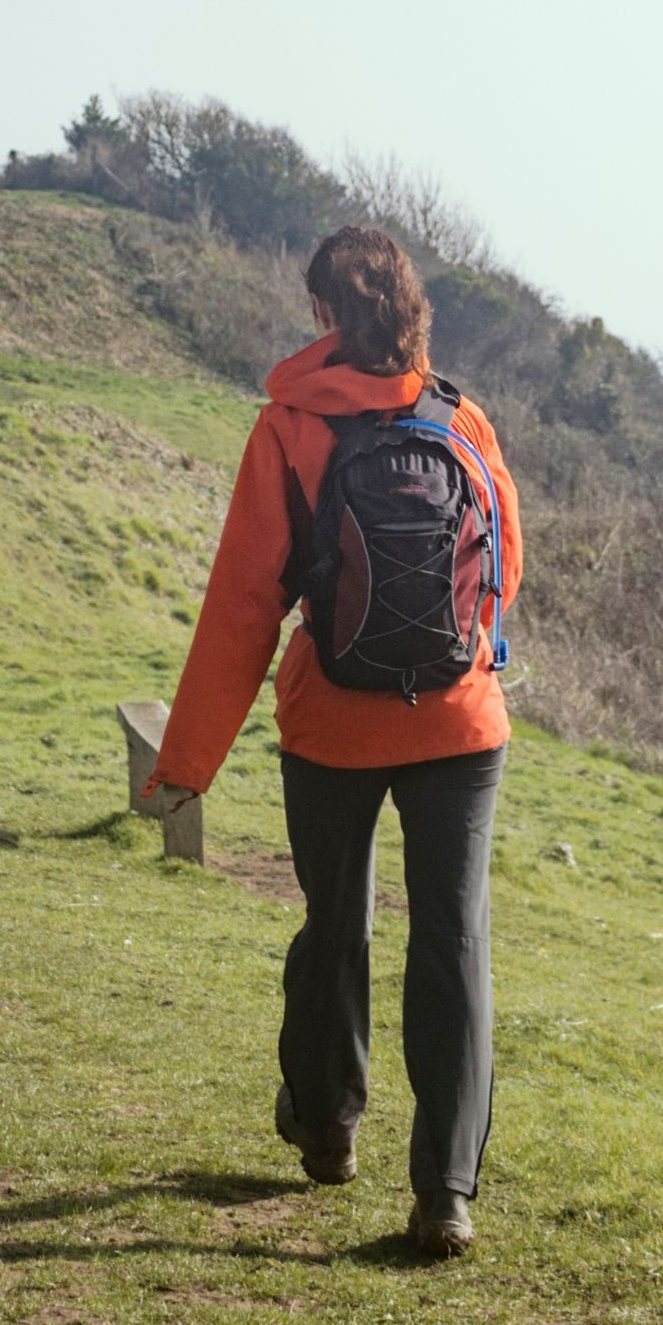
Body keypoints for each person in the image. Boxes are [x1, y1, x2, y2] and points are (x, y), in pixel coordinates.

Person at [142, 224, 523, 1258]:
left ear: (321, 314)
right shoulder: (463, 421)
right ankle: (446, 1190)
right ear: (414, 309)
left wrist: (184, 767)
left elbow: (241, 608)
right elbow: (503, 574)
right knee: (453, 941)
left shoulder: (288, 429)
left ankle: (324, 1128)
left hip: (331, 718)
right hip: (457, 719)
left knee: (335, 921)